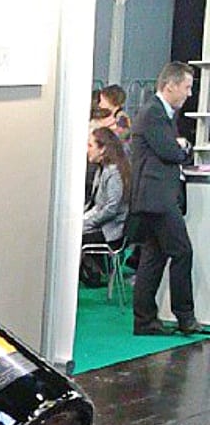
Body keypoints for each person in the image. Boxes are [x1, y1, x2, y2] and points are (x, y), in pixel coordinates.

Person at [129, 61, 198, 336]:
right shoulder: (154, 114)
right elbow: (172, 153)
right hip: (157, 199)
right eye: (187, 87)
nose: (189, 94)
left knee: (153, 258)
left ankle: (145, 321)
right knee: (182, 252)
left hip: (153, 198)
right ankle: (185, 316)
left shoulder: (158, 113)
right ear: (170, 86)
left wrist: (180, 148)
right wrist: (183, 148)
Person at [81, 127, 130, 287]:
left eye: (90, 145)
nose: (87, 150)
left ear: (102, 149)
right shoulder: (102, 170)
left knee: (72, 237)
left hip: (111, 232)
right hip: (102, 226)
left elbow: (110, 209)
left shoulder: (114, 172)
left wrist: (86, 223)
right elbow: (98, 206)